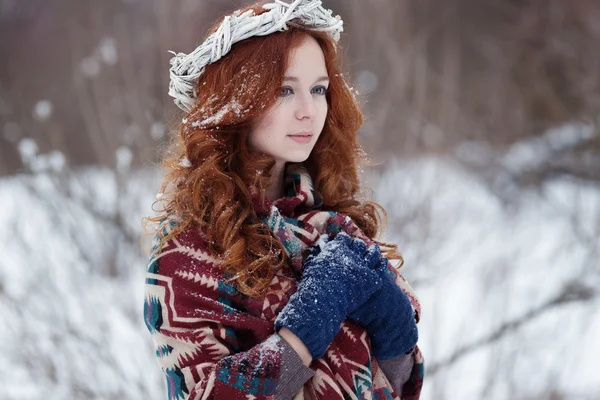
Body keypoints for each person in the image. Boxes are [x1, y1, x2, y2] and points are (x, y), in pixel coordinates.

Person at [143, 1, 424, 399]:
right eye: (284, 90)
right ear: (236, 99)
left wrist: (395, 328)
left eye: (319, 90)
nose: (309, 111)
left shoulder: (335, 223)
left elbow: (398, 383)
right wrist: (305, 329)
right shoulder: (188, 250)